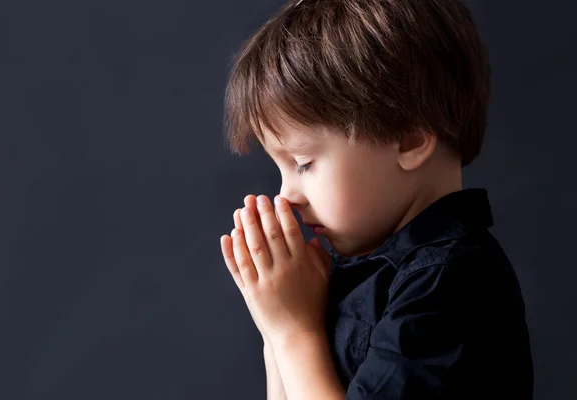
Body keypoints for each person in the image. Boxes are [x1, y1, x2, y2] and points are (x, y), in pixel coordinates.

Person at [219, 0, 533, 399]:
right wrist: (275, 328)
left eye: (303, 163)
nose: (286, 196)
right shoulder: (351, 271)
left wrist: (294, 333)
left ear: (410, 139)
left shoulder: (447, 284)